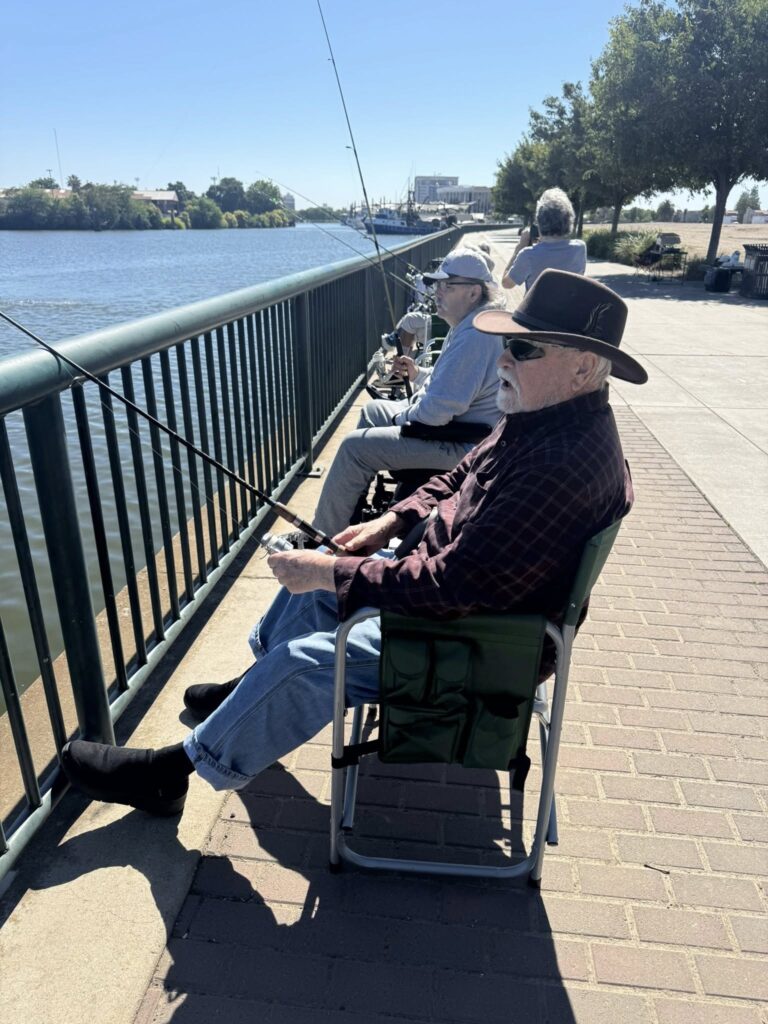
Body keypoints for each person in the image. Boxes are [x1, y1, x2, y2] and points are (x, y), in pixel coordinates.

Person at [61, 269, 648, 817]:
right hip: (464, 602)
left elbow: (453, 587)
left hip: (486, 646)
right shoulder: (546, 417)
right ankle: (248, 694)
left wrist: (327, 572)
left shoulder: (561, 463)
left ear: (581, 367)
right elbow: (460, 474)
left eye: (523, 348)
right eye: (506, 342)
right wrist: (387, 523)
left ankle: (171, 773)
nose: (502, 356)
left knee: (308, 651)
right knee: (325, 582)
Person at [294, 248, 506, 540]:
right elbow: (454, 385)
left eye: (447, 285)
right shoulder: (470, 324)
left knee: (354, 448)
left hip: (460, 444)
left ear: (472, 292)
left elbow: (435, 413)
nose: (437, 292)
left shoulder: (474, 336)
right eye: (436, 285)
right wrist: (418, 376)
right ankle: (350, 513)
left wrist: (401, 418)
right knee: (372, 411)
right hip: (455, 429)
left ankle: (324, 536)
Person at [502, 188, 587, 291]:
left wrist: (520, 246)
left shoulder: (528, 255)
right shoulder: (580, 248)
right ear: (569, 220)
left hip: (536, 307)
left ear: (539, 221)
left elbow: (506, 284)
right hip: (568, 307)